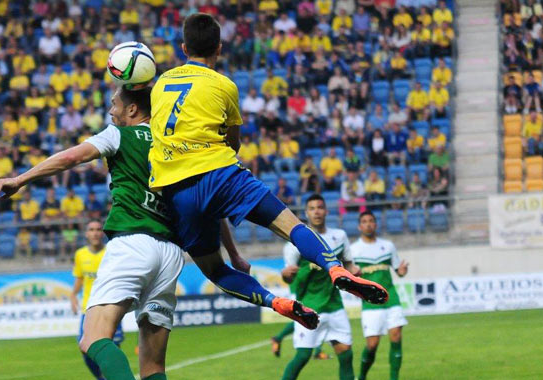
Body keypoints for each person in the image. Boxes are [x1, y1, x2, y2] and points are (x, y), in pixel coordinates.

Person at [148, 14, 388, 330]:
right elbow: (232, 145)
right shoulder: (224, 85)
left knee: (215, 270)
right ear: (219, 49)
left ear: (182, 48)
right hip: (221, 173)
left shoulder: (160, 84)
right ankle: (334, 267)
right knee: (292, 226)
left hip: (177, 189)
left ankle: (275, 302)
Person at [0, 88, 211, 380]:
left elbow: (71, 158)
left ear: (132, 110)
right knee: (153, 367)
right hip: (171, 252)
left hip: (133, 241)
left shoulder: (118, 135)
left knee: (92, 337)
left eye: (114, 104)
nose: (110, 111)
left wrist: (21, 179)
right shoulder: (173, 144)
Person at [280, 194, 359, 380]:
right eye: (312, 208)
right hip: (308, 306)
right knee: (302, 357)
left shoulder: (339, 237)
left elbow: (348, 264)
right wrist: (285, 275)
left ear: (326, 211)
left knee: (345, 354)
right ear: (307, 213)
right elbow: (289, 278)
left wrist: (354, 271)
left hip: (334, 305)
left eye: (320, 207)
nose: (317, 211)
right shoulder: (294, 243)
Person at [350, 211, 409, 380]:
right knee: (372, 344)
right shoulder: (354, 250)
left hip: (391, 299)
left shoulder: (388, 246)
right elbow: (350, 275)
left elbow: (399, 270)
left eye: (371, 221)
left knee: (396, 336)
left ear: (375, 224)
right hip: (370, 303)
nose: (368, 224)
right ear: (359, 226)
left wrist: (403, 271)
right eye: (364, 221)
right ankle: (361, 376)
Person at [70, 220, 124, 380]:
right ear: (86, 234)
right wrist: (73, 295)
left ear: (103, 233)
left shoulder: (112, 252)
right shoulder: (80, 254)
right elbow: (80, 278)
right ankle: (102, 378)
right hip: (88, 308)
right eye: (91, 229)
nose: (95, 232)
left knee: (112, 347)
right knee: (84, 347)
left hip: (110, 306)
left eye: (98, 229)